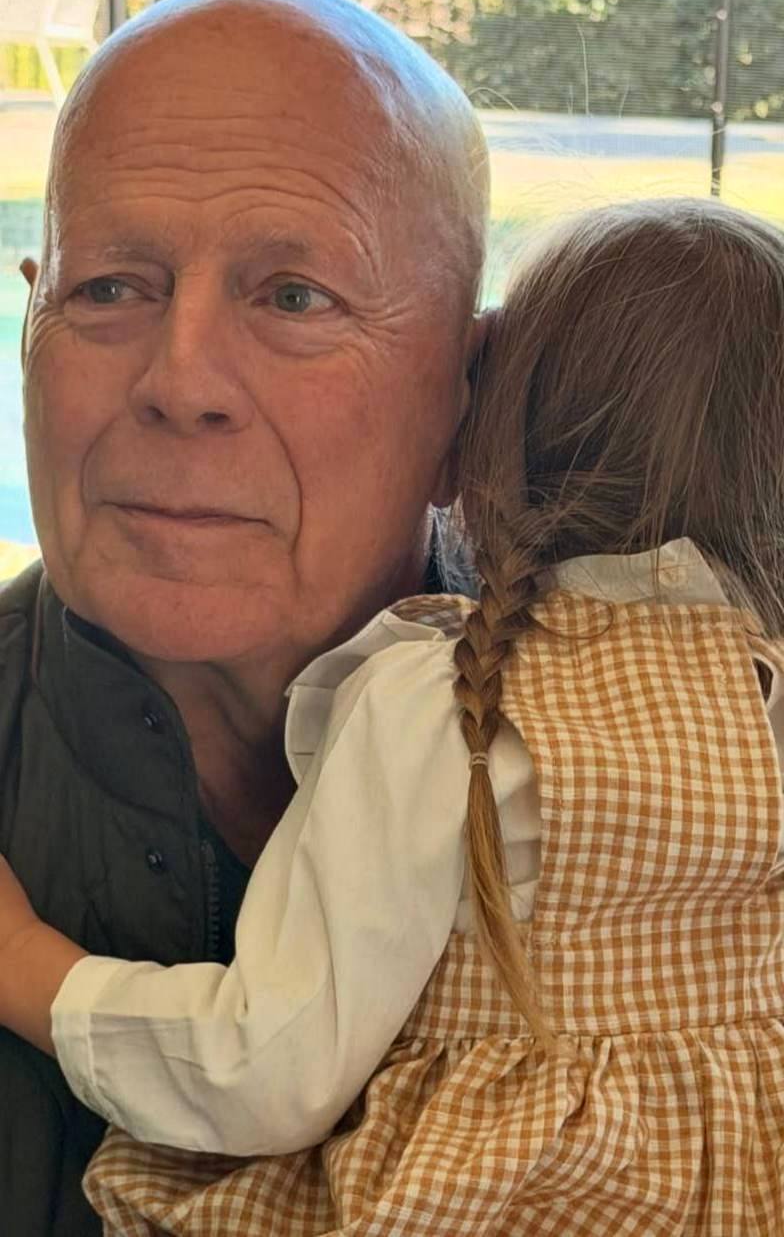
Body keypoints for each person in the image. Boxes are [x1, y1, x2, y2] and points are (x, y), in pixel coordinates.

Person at [2, 195, 784, 1235]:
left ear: (474, 429)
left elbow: (268, 1067)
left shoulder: (442, 706)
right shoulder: (755, 702)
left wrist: (25, 962)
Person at [0, 0, 489, 1234]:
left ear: (468, 405)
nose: (182, 380)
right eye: (111, 287)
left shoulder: (697, 788)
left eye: (293, 296)